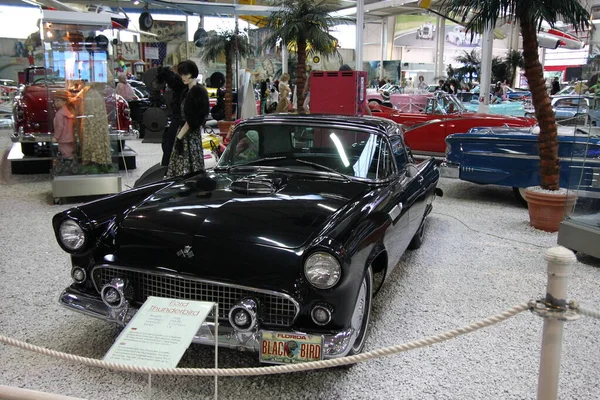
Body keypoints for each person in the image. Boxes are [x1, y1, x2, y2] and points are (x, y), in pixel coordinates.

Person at [165, 60, 210, 178]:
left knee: (189, 168)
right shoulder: (187, 92)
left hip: (189, 135)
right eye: (181, 74)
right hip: (186, 133)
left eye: (185, 74)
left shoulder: (198, 92)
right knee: (183, 167)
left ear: (192, 73)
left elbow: (193, 119)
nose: (183, 77)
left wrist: (179, 137)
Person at [52, 90, 76, 160]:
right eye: (55, 101)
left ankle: (69, 166)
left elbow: (59, 127)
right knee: (69, 151)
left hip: (63, 138)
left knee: (66, 153)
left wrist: (56, 137)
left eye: (58, 101)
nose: (56, 103)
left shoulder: (60, 114)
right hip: (69, 136)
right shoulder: (68, 112)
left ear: (65, 102)